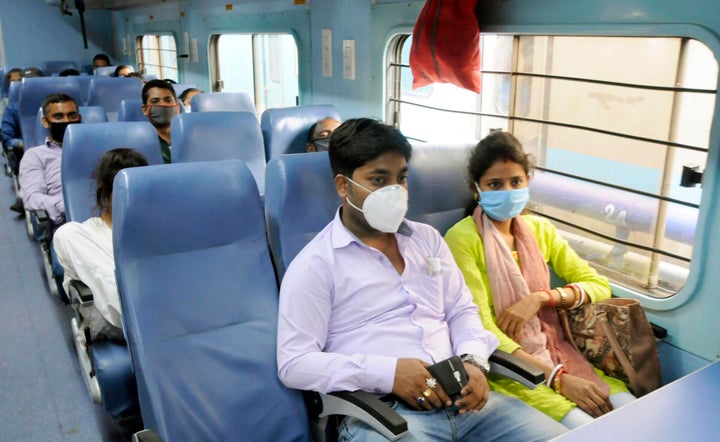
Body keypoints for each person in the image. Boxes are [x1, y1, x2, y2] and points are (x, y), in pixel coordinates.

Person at [276, 119, 567, 441]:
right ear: (344, 186)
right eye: (378, 179)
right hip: (385, 414)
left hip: (468, 402)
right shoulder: (316, 264)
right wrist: (389, 374)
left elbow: (462, 312)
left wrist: (474, 361)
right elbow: (295, 363)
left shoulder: (426, 239)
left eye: (401, 178)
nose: (395, 191)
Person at [443, 131, 635, 429]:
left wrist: (542, 298)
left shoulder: (540, 230)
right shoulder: (462, 238)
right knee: (587, 429)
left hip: (562, 351)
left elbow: (598, 284)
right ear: (476, 188)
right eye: (495, 184)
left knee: (632, 412)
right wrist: (557, 378)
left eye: (515, 182)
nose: (508, 191)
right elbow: (482, 328)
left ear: (527, 181)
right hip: (510, 368)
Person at [54, 148, 149, 341]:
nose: (133, 197)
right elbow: (118, 305)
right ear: (104, 188)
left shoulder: (155, 228)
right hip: (130, 323)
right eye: (123, 191)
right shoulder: (80, 236)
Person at [18, 93, 82, 225]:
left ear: (79, 118)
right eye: (58, 116)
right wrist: (70, 206)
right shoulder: (35, 156)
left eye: (72, 115)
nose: (66, 121)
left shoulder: (96, 150)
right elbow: (32, 197)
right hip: (68, 224)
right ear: (45, 122)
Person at [141, 79, 180, 164]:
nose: (163, 105)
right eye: (155, 101)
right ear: (145, 110)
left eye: (168, 100)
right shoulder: (140, 142)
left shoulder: (189, 138)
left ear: (177, 108)